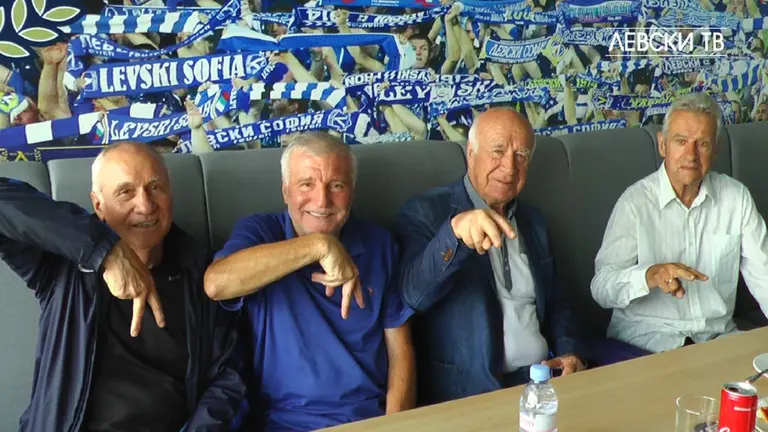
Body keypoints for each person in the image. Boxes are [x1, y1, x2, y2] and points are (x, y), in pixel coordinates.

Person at [0, 141, 246, 431]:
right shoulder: (60, 266)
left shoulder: (204, 274)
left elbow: (227, 380)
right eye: (125, 192)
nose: (145, 206)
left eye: (155, 188)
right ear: (98, 205)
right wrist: (104, 251)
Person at [203, 132, 416, 431]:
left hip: (369, 420)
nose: (322, 200)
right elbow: (217, 284)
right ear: (285, 191)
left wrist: (395, 426)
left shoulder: (379, 243)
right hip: (285, 424)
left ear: (352, 192)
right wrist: (319, 245)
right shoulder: (260, 232)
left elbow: (400, 352)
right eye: (306, 184)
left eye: (337, 185)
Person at [396, 107, 587, 406]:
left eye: (521, 155)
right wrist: (455, 234)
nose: (509, 168)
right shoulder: (426, 212)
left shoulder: (533, 222)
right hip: (469, 392)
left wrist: (570, 353)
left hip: (542, 382)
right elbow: (412, 296)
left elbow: (558, 302)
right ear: (470, 153)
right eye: (498, 151)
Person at [591, 92, 768, 354]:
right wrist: (649, 276)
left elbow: (764, 274)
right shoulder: (635, 202)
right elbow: (601, 288)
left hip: (716, 337)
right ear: (662, 145)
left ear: (715, 150)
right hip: (647, 340)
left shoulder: (736, 198)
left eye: (702, 143)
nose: (691, 155)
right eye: (681, 141)